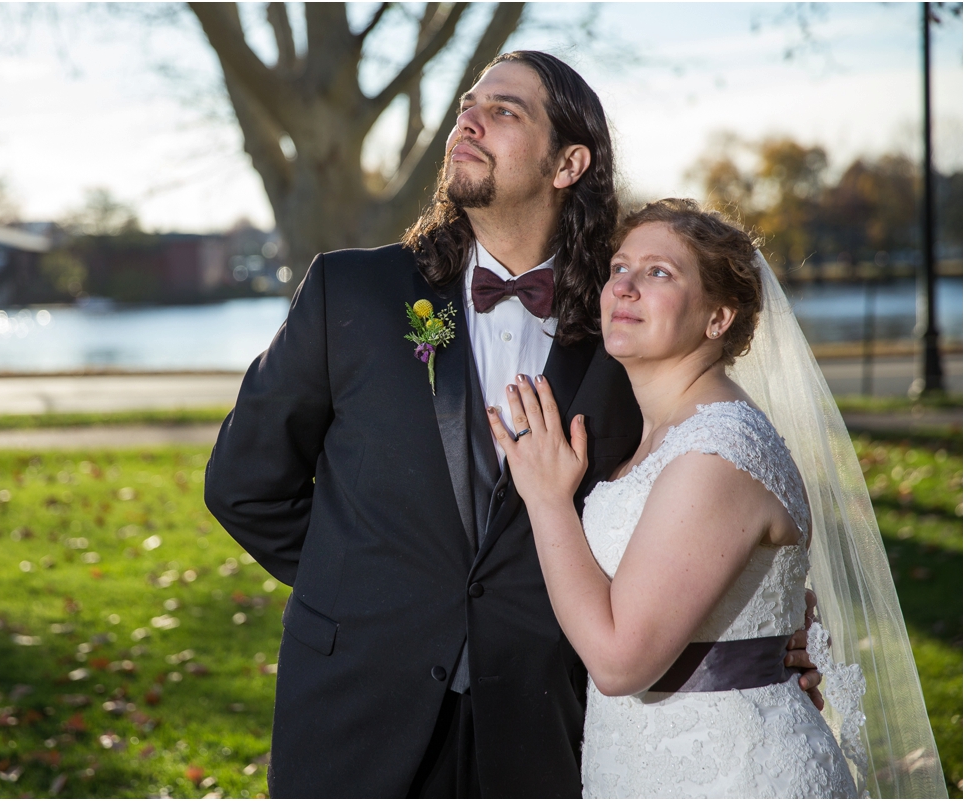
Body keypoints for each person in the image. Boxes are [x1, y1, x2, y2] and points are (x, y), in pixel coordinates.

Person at [204, 52, 821, 798]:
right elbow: (245, 484)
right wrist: (365, 590)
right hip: (353, 714)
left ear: (568, 163)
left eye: (504, 110)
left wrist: (758, 634)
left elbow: (695, 499)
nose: (469, 119)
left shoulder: (624, 335)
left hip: (542, 728)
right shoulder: (352, 292)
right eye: (468, 104)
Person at [492, 199, 946, 798]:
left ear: (717, 318)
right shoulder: (661, 432)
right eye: (620, 267)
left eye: (659, 272)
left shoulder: (718, 452)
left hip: (731, 771)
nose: (624, 286)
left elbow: (620, 661)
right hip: (639, 762)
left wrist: (548, 499)